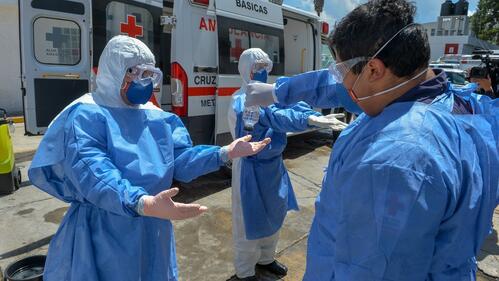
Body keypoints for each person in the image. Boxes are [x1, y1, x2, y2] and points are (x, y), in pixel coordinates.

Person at [244, 0, 499, 280]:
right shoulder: (461, 104)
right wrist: (280, 91)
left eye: (342, 72)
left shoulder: (394, 159)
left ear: (375, 70)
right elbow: (333, 86)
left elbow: (371, 268)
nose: (341, 83)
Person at [28, 35, 270, 281]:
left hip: (154, 224)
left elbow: (181, 160)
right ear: (115, 71)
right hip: (106, 229)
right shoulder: (87, 115)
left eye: (149, 74)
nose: (144, 81)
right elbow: (92, 171)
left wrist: (224, 153)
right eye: (135, 72)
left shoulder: (156, 117)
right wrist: (140, 202)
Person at [227, 48, 347, 281]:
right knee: (247, 222)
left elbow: (289, 105)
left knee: (273, 215)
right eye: (257, 67)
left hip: (272, 165)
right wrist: (307, 120)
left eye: (265, 67)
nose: (262, 72)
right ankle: (245, 271)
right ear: (246, 70)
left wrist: (309, 113)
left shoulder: (266, 94)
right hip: (250, 168)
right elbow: (273, 116)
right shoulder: (242, 100)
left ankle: (266, 258)